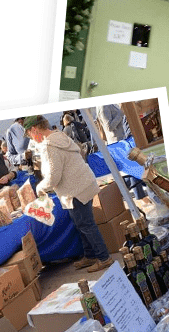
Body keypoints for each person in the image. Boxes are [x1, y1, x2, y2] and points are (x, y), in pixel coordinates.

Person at [23, 115, 112, 273]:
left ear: (34, 129)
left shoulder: (49, 145)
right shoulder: (58, 136)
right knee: (81, 224)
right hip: (81, 185)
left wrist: (40, 188)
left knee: (86, 225)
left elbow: (53, 176)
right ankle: (90, 255)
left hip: (75, 190)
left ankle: (104, 258)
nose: (30, 137)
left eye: (29, 133)